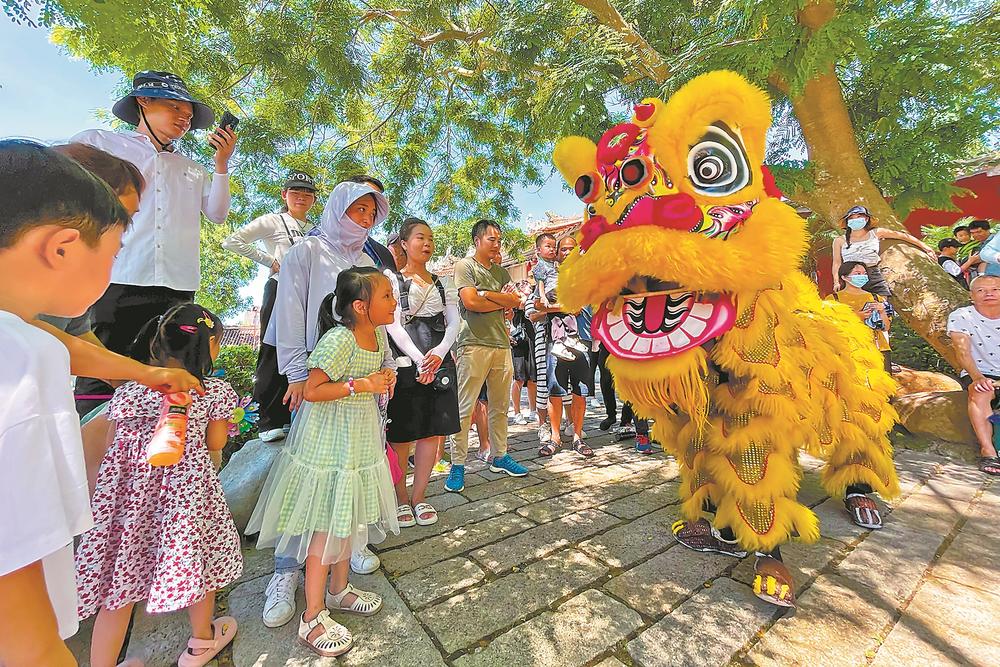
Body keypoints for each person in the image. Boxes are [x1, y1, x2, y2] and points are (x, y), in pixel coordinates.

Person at [0, 139, 130, 667]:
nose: (113, 272)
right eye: (115, 253)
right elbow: (25, 642)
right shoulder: (23, 361)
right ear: (62, 247)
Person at [75, 305, 242, 667]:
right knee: (202, 562)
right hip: (186, 501)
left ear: (156, 344)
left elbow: (112, 444)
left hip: (128, 505)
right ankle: (200, 643)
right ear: (211, 346)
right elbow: (215, 444)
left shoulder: (131, 392)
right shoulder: (212, 392)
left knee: (119, 584)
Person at [258, 179, 391, 628]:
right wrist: (296, 373)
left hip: (356, 388)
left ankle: (340, 569)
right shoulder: (306, 252)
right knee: (306, 479)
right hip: (316, 379)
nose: (367, 219)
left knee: (343, 475)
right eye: (358, 209)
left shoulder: (367, 262)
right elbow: (289, 314)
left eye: (373, 212)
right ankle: (284, 571)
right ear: (336, 208)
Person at [248, 268, 400, 658]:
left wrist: (385, 376)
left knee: (348, 517)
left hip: (358, 442)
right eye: (387, 295)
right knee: (325, 524)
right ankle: (311, 616)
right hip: (329, 445)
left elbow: (379, 371)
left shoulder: (378, 334)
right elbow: (313, 390)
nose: (394, 302)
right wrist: (360, 385)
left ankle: (339, 590)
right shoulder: (339, 339)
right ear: (360, 306)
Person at [71, 70, 237, 416]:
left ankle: (158, 462)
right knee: (102, 370)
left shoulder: (192, 168)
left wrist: (221, 164)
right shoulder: (101, 144)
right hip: (120, 275)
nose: (184, 119)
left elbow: (218, 214)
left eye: (189, 115)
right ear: (142, 102)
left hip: (177, 283)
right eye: (174, 108)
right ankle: (92, 458)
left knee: (171, 374)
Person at [222, 171, 318, 443]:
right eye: (295, 191)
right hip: (281, 289)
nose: (301, 196)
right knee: (274, 348)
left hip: (309, 295)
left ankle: (294, 416)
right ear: (284, 194)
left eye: (308, 192)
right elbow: (232, 241)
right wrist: (270, 261)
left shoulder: (315, 229)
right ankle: (269, 419)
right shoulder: (273, 221)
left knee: (305, 350)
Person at [384, 218, 460, 528]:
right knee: (402, 433)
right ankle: (400, 497)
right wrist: (419, 359)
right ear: (403, 243)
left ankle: (419, 496)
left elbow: (454, 322)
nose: (426, 243)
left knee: (432, 431)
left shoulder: (445, 283)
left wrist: (439, 354)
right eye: (419, 238)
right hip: (406, 360)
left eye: (430, 238)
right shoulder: (392, 281)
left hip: (439, 359)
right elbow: (393, 325)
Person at [445, 220, 529, 492]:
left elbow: (515, 303)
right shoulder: (465, 267)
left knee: (500, 406)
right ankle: (458, 464)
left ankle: (500, 455)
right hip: (472, 344)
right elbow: (471, 302)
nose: (496, 244)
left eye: (499, 239)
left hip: (501, 344)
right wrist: (498, 300)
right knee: (464, 407)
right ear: (477, 240)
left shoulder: (502, 274)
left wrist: (488, 296)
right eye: (491, 239)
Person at [541, 236, 594, 457]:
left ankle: (578, 436)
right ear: (557, 253)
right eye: (563, 249)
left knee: (580, 390)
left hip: (582, 338)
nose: (567, 252)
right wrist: (564, 306)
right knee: (555, 388)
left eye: (571, 249)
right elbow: (536, 304)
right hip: (556, 339)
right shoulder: (548, 276)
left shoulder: (589, 276)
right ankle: (555, 437)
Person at [947, 275, 1000, 476]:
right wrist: (977, 377)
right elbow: (962, 351)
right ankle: (988, 451)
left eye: (995, 289)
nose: (989, 294)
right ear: (971, 295)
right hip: (979, 370)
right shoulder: (962, 316)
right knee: (980, 392)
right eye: (981, 290)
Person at [831, 204, 936, 297]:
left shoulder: (876, 233)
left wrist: (926, 247)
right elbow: (836, 262)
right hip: (850, 277)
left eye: (859, 217)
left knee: (882, 305)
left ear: (866, 219)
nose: (855, 220)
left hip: (872, 273)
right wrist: (836, 281)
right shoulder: (839, 240)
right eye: (851, 218)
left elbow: (903, 236)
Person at [828, 261, 894, 373]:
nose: (862, 276)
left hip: (877, 348)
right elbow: (828, 325)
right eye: (857, 273)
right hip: (847, 350)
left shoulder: (876, 298)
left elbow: (886, 327)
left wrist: (882, 311)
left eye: (864, 273)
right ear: (844, 277)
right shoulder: (833, 299)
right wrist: (855, 316)